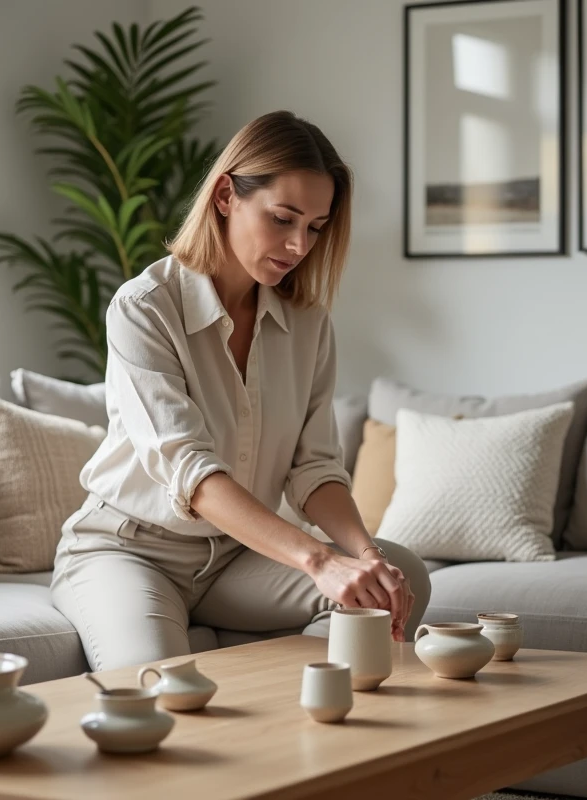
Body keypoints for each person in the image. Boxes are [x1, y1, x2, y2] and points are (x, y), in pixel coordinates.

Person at [51, 110, 431, 672]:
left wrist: (365, 557)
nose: (300, 244)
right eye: (283, 219)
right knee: (165, 691)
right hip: (130, 552)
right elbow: (191, 472)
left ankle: (308, 735)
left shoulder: (308, 323)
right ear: (226, 195)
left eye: (317, 227)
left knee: (399, 579)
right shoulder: (144, 309)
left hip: (238, 560)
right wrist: (319, 562)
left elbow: (316, 469)